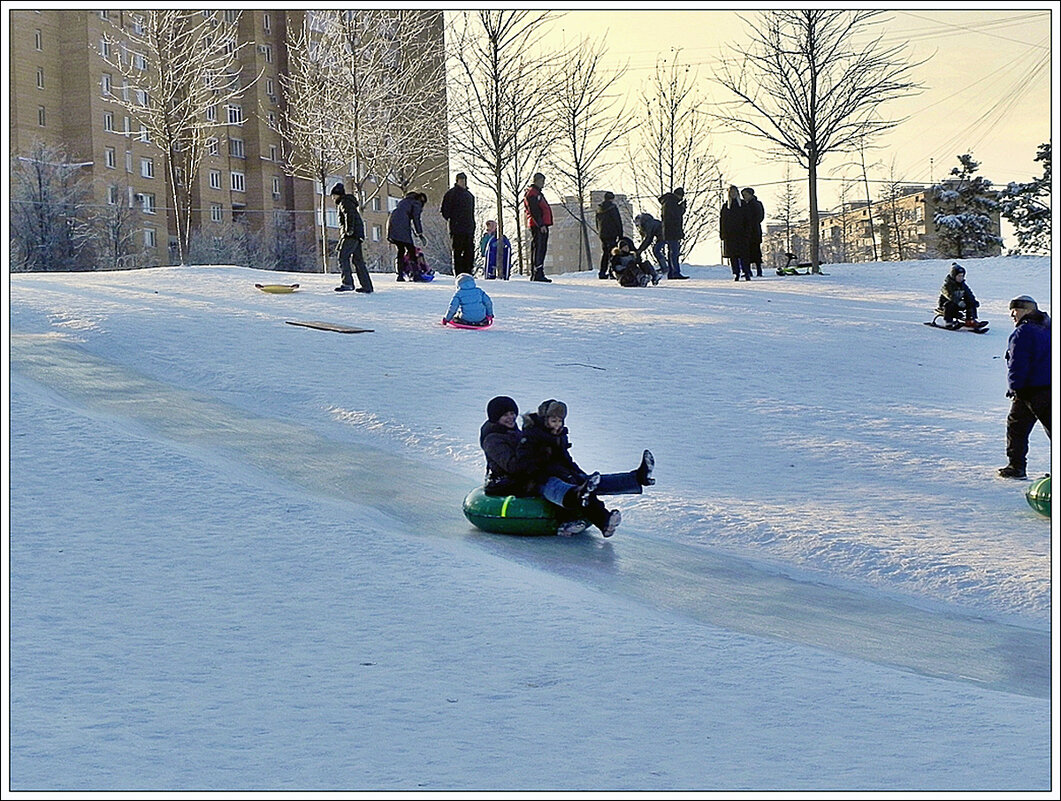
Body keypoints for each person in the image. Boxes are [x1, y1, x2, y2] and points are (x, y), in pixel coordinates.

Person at [516, 399, 655, 538]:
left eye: (560, 421)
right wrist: (543, 475)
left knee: (588, 483)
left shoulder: (558, 436)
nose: (557, 425)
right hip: (539, 481)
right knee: (561, 487)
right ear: (544, 420)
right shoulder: (531, 437)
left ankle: (637, 477)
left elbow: (566, 459)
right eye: (554, 421)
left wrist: (580, 475)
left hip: (563, 473)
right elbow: (524, 464)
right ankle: (596, 515)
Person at [998, 295, 1051, 479]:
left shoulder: (1023, 332)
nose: (1013, 315)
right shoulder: (1049, 328)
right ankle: (1015, 467)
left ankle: (1017, 466)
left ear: (1027, 310)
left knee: (1017, 427)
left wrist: (1015, 387)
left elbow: (1018, 363)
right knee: (1017, 425)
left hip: (1030, 390)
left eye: (1016, 310)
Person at [329, 182, 373, 293]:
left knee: (343, 257)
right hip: (356, 234)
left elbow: (349, 215)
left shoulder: (344, 202)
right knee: (358, 260)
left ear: (338, 195)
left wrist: (349, 230)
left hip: (351, 235)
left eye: (334, 196)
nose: (333, 198)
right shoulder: (348, 201)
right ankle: (367, 286)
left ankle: (347, 283)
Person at [440, 172, 476, 275]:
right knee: (457, 251)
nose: (463, 182)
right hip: (457, 228)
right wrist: (453, 219)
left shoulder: (469, 196)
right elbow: (445, 211)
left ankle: (468, 271)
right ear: (457, 181)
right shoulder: (451, 194)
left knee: (469, 251)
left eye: (464, 180)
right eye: (461, 180)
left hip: (468, 228)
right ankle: (459, 273)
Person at [387, 190, 426, 281]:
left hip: (391, 223)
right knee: (411, 250)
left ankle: (400, 275)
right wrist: (420, 233)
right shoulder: (416, 202)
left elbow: (403, 216)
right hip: (401, 226)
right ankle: (416, 274)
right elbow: (416, 218)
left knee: (400, 249)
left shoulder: (404, 201)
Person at [524, 172, 553, 283]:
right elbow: (534, 210)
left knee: (540, 248)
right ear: (537, 181)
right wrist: (541, 224)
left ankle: (538, 271)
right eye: (542, 181)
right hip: (538, 225)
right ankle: (537, 272)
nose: (543, 184)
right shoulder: (533, 193)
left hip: (540, 224)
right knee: (539, 248)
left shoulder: (536, 193)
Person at [720, 184, 752, 281]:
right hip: (730, 235)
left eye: (734, 192)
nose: (733, 194)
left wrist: (748, 232)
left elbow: (748, 220)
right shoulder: (726, 206)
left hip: (742, 234)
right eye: (731, 192)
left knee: (744, 255)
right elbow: (722, 221)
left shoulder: (743, 205)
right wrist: (723, 234)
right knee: (733, 256)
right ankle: (736, 273)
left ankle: (746, 272)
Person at [659, 186, 689, 279]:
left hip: (668, 231)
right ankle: (675, 272)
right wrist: (682, 208)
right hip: (672, 231)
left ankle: (672, 272)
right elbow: (676, 216)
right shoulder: (671, 202)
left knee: (671, 252)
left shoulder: (667, 202)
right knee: (674, 253)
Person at [596, 191, 623, 279]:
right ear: (612, 199)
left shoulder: (599, 208)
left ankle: (602, 272)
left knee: (605, 253)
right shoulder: (612, 207)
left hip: (602, 234)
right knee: (613, 253)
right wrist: (620, 234)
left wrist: (599, 232)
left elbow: (597, 222)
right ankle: (612, 272)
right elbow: (617, 221)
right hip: (612, 233)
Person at [634, 212, 667, 278]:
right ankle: (664, 267)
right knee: (656, 250)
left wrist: (640, 250)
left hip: (664, 236)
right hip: (663, 236)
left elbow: (648, 239)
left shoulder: (647, 224)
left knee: (656, 250)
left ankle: (664, 268)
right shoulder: (649, 221)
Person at [741, 187, 765, 277]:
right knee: (746, 252)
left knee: (756, 251)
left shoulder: (756, 204)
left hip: (754, 231)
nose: (744, 197)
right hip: (746, 232)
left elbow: (760, 216)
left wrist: (751, 223)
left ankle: (759, 270)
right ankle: (748, 271)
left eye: (746, 195)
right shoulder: (743, 204)